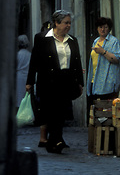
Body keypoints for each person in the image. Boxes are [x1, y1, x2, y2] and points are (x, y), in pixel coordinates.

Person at [26, 10, 84, 154]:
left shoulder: (72, 40)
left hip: (66, 80)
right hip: (48, 81)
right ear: (56, 23)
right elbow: (34, 61)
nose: (68, 26)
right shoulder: (41, 38)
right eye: (66, 23)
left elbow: (77, 62)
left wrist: (80, 82)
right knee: (51, 112)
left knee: (61, 112)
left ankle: (56, 140)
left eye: (70, 23)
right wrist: (30, 81)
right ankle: (55, 141)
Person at [87, 17, 120, 105]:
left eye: (105, 27)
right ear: (97, 28)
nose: (103, 29)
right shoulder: (95, 41)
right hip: (94, 81)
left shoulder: (114, 41)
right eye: (100, 27)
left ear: (109, 28)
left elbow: (116, 59)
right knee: (95, 111)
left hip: (107, 83)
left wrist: (103, 52)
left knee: (106, 111)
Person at [29, 21, 51, 147]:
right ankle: (43, 138)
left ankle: (53, 137)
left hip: (54, 81)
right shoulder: (39, 42)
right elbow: (33, 63)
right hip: (43, 81)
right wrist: (30, 82)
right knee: (43, 110)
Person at [16, 35, 31, 111]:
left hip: (19, 78)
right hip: (27, 77)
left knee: (19, 98)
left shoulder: (18, 55)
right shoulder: (29, 55)